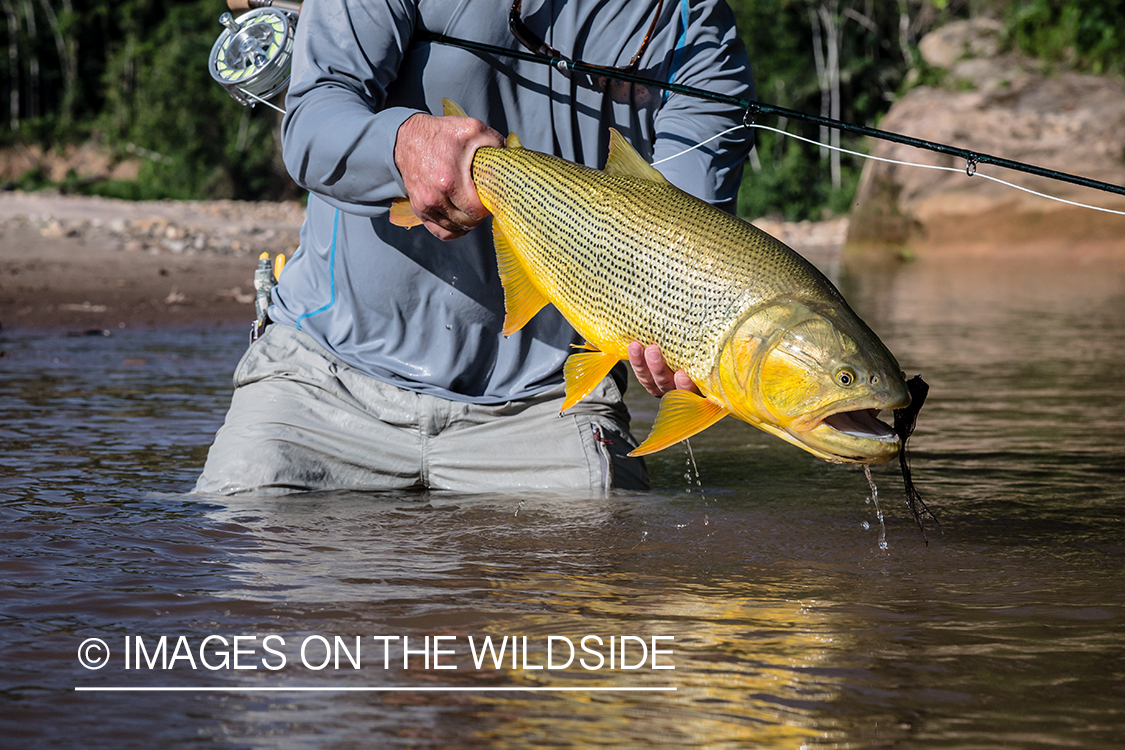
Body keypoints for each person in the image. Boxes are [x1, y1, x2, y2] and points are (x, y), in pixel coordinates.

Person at [195, 0, 755, 495]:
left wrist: (686, 345)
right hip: (323, 380)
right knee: (238, 572)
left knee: (599, 601)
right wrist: (403, 144)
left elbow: (683, 247)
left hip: (546, 402)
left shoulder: (697, 32)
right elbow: (312, 126)